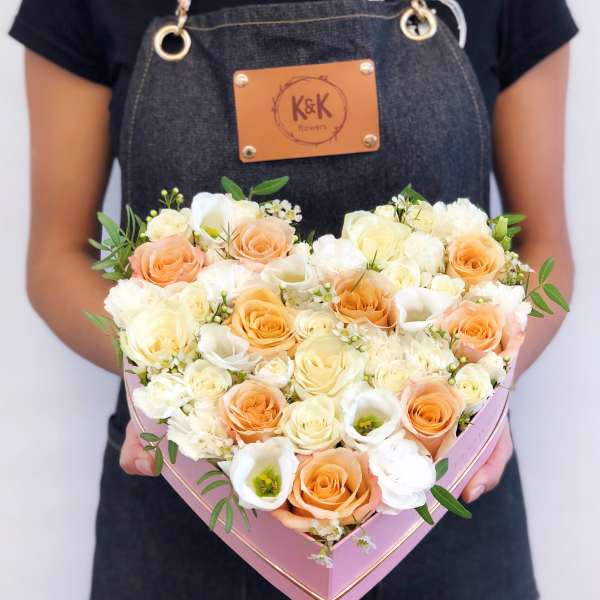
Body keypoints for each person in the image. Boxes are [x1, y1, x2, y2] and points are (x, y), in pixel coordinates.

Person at [10, 0, 576, 598]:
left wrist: (480, 401)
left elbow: (544, 246)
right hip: (185, 494)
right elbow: (56, 260)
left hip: (441, 494)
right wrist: (175, 398)